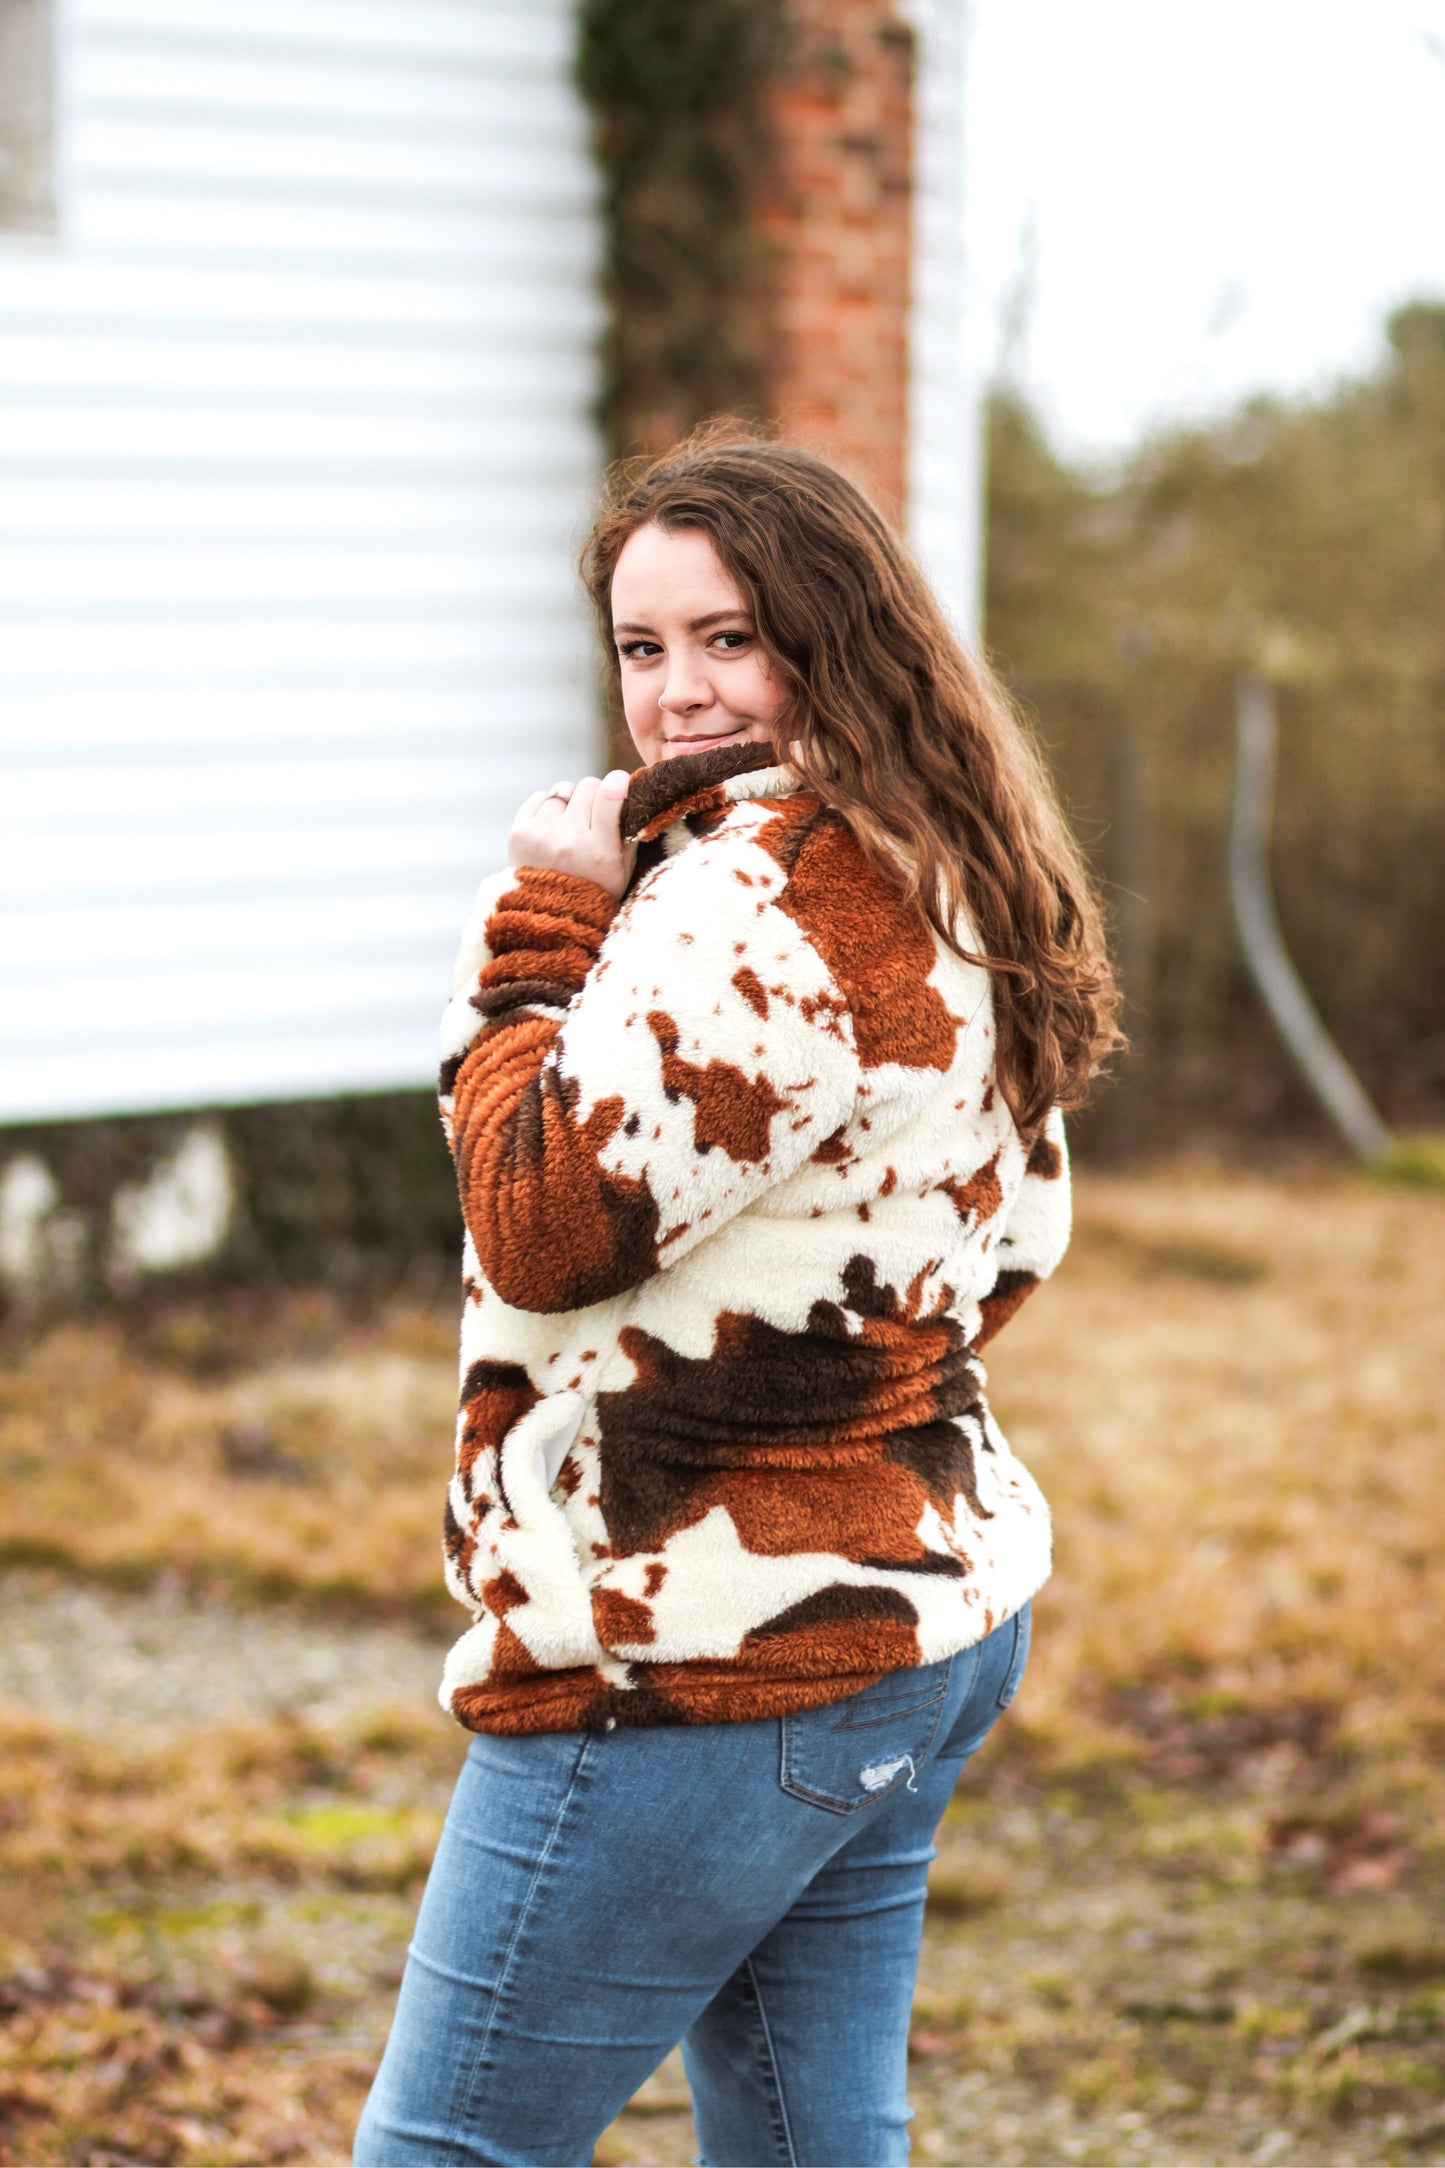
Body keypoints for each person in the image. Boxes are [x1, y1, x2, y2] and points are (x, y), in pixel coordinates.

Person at [354, 429, 1119, 2168]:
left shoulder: (750, 898)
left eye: (729, 638)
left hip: (700, 1648)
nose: (680, 696)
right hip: (914, 1612)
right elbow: (1012, 1245)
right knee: (804, 2138)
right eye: (642, 648)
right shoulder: (946, 859)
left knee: (450, 2150)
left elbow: (540, 1221)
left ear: (834, 636)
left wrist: (543, 929)